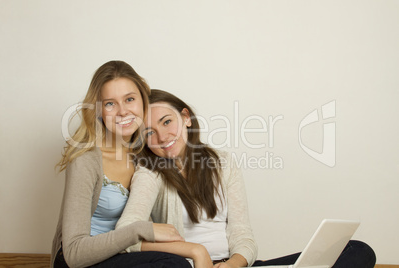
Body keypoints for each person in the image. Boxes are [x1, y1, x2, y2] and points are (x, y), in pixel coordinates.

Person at [116, 89, 376, 268]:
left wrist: (233, 263)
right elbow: (125, 236)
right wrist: (195, 252)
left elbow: (242, 233)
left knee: (359, 251)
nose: (162, 137)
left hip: (236, 264)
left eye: (166, 122)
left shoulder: (223, 162)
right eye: (149, 132)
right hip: (187, 267)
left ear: (185, 118)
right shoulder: (149, 172)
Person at [51, 62, 191, 268]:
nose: (123, 112)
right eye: (110, 104)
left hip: (123, 256)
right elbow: (74, 253)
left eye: (130, 99)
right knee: (173, 265)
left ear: (143, 99)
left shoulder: (147, 153)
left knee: (176, 263)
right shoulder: (86, 159)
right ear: (98, 110)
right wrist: (140, 230)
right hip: (79, 261)